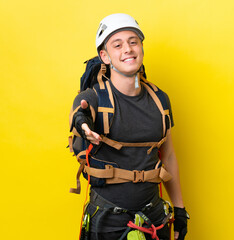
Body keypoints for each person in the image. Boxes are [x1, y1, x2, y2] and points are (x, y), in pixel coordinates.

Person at [70, 13, 189, 240]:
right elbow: (79, 113)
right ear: (105, 56)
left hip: (154, 217)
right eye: (118, 44)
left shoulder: (160, 100)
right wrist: (83, 125)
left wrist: (180, 210)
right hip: (106, 221)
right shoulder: (93, 98)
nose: (128, 49)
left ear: (141, 48)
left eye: (133, 41)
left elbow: (170, 156)